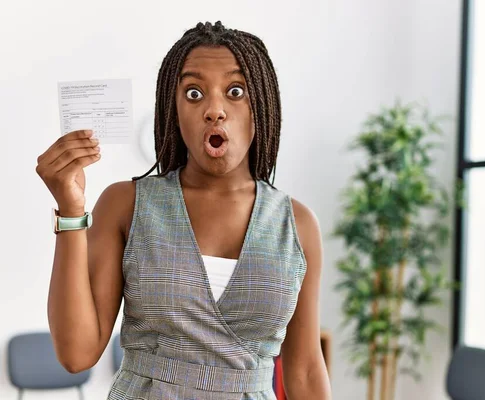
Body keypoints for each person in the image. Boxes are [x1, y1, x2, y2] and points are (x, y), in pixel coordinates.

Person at [35, 21, 331, 400]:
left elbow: (305, 370)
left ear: (262, 106)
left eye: (235, 91)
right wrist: (71, 209)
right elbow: (77, 354)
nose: (214, 110)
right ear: (173, 111)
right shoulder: (127, 204)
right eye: (194, 93)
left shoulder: (298, 225)